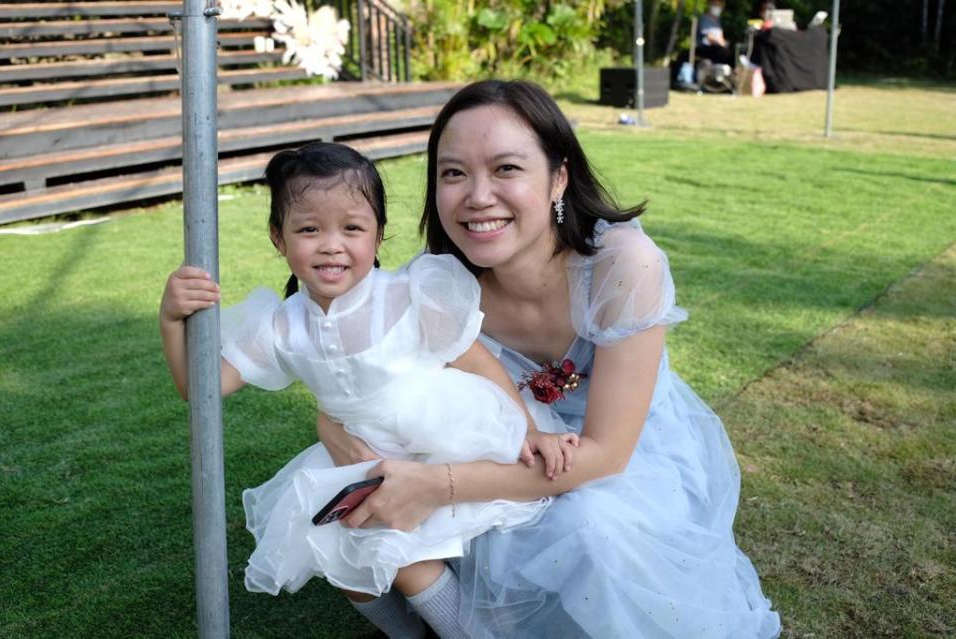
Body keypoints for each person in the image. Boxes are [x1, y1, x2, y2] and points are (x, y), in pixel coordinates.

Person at [318, 80, 782, 638]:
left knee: (588, 525)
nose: (477, 196)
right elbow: (368, 382)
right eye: (453, 172)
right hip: (499, 448)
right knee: (332, 487)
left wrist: (435, 485)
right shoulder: (436, 285)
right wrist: (332, 423)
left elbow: (606, 456)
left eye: (506, 169)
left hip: (623, 462)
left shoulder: (622, 266)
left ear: (558, 176)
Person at [158, 141, 579, 637]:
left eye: (352, 228)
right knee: (341, 554)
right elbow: (199, 389)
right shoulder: (281, 326)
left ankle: (470, 632)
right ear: (279, 238)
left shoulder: (406, 295)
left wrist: (526, 429)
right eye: (309, 229)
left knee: (402, 557)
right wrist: (170, 319)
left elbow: (477, 360)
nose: (332, 245)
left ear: (378, 234)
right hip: (359, 456)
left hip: (443, 436)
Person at [697, 0, 735, 66]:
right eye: (716, 5)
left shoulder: (718, 21)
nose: (718, 7)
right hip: (706, 48)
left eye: (720, 5)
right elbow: (710, 37)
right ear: (710, 5)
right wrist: (721, 44)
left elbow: (721, 37)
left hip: (717, 48)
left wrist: (724, 45)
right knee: (720, 52)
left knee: (731, 54)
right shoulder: (704, 19)